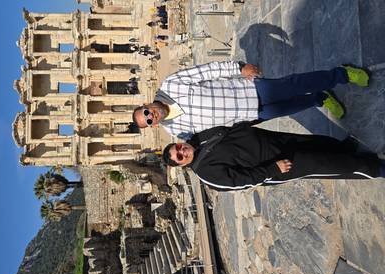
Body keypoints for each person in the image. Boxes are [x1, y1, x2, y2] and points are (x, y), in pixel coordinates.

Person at [132, 61, 369, 140]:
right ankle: (320, 99)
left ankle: (342, 74)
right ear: (153, 126)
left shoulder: (170, 85)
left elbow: (207, 71)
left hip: (249, 91)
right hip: (248, 116)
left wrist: (238, 67)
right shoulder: (177, 131)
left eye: (146, 113)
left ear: (145, 104)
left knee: (295, 84)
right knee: (290, 108)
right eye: (149, 122)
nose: (151, 116)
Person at [162, 122, 385, 191]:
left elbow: (227, 130)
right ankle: (376, 168)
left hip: (274, 140)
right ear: (181, 165)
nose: (182, 152)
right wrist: (273, 170)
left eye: (178, 148)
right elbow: (242, 181)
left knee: (318, 143)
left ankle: (345, 148)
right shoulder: (207, 174)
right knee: (328, 164)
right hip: (278, 165)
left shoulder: (198, 138)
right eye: (179, 157)